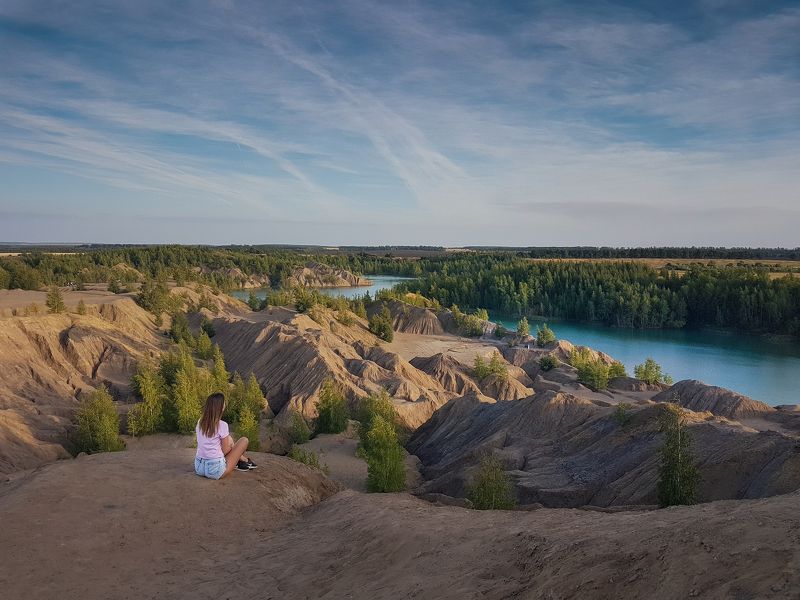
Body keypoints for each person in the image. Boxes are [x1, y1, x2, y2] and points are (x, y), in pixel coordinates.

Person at [194, 393, 256, 480]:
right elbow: (225, 450)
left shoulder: (200, 422)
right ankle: (244, 460)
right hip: (215, 470)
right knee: (244, 440)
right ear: (221, 407)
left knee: (229, 439)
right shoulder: (222, 425)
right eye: (224, 403)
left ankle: (241, 460)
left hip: (199, 467)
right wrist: (238, 454)